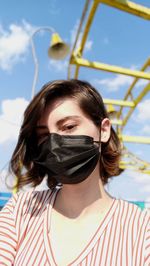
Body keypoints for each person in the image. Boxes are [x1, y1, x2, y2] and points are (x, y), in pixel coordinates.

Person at [0, 79, 149, 266]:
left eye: (69, 127)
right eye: (44, 135)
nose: (54, 143)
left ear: (103, 130)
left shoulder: (142, 229)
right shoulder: (20, 210)